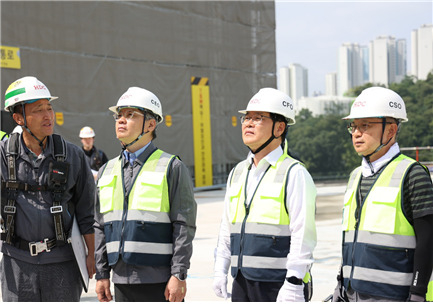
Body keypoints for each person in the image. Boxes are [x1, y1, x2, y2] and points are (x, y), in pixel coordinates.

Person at [213, 88, 317, 302]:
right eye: (246, 118)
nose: (248, 123)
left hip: (278, 285)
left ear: (280, 127)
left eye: (258, 118)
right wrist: (220, 270)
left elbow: (303, 234)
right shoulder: (238, 172)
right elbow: (226, 227)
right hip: (242, 281)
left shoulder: (294, 173)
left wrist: (294, 283)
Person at [94, 87, 197, 302]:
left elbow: (183, 224)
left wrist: (178, 274)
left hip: (159, 281)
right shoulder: (107, 170)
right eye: (119, 115)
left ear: (151, 124)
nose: (121, 120)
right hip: (120, 280)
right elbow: (100, 224)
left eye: (130, 115)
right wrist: (102, 273)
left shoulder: (171, 166)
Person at [332, 87, 433, 302]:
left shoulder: (412, 174)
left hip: (395, 296)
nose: (357, 133)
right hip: (352, 294)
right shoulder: (354, 176)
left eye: (365, 125)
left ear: (390, 130)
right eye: (354, 126)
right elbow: (352, 238)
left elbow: (428, 240)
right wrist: (341, 284)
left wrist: (418, 293)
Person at [0, 76, 96, 301]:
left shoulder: (73, 155)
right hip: (17, 264)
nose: (48, 115)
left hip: (62, 263)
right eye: (38, 109)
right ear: (18, 118)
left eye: (49, 108)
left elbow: (87, 213)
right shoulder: (4, 156)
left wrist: (92, 255)